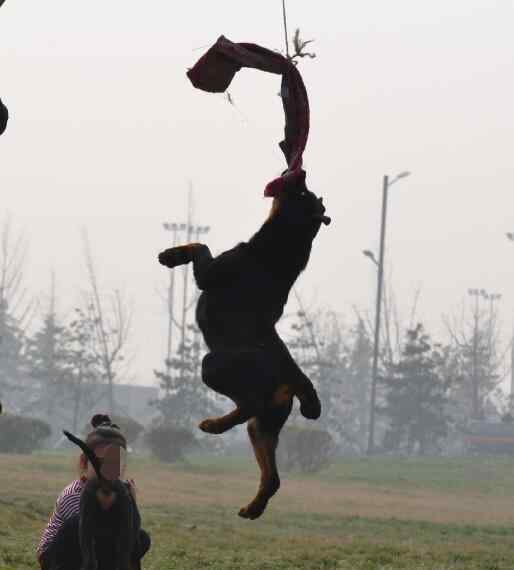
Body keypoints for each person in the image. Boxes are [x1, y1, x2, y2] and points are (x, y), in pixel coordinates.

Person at [37, 414, 151, 569]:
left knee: (140, 536)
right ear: (84, 463)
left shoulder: (120, 491)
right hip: (56, 557)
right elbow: (89, 535)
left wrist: (131, 504)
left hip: (95, 548)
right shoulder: (74, 495)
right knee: (79, 526)